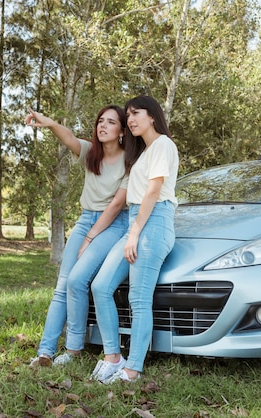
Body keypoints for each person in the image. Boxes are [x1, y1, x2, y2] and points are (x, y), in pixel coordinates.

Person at [25, 106, 130, 367]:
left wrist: (90, 238)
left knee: (77, 280)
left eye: (111, 122)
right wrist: (49, 123)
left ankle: (73, 351)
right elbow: (69, 138)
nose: (103, 126)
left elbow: (117, 205)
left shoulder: (131, 161)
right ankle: (45, 353)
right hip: (86, 219)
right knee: (62, 286)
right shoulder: (91, 153)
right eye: (100, 121)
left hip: (114, 224)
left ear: (122, 131)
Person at [89, 95, 178, 383]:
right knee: (101, 286)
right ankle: (113, 357)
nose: (131, 119)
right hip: (137, 222)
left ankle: (132, 369)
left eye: (136, 113)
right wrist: (133, 230)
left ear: (152, 116)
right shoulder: (145, 151)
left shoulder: (163, 144)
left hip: (152, 224)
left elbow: (154, 191)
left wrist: (135, 233)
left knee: (139, 299)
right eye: (128, 114)